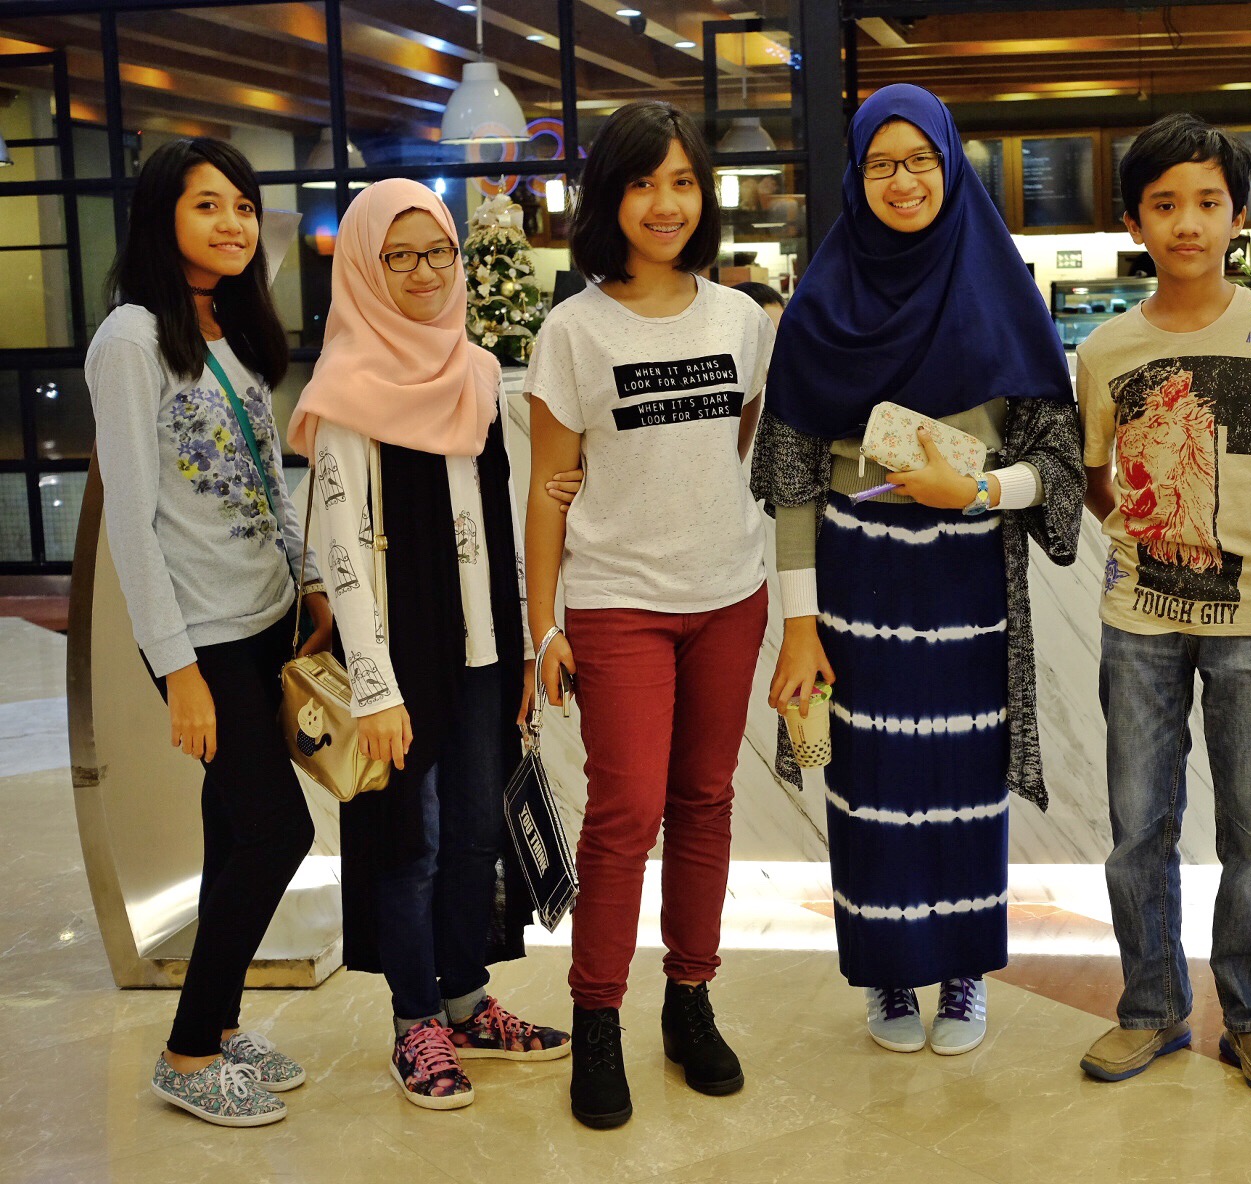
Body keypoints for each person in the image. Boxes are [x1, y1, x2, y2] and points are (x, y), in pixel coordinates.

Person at [755, 84, 1084, 1058]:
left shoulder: (1000, 287)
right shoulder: (821, 304)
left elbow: (1059, 463)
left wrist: (975, 491)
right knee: (870, 783)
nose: (902, 181)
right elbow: (793, 483)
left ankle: (963, 970)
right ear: (856, 176)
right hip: (855, 583)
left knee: (963, 779)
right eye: (881, 164)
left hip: (968, 578)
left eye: (920, 160)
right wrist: (800, 625)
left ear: (950, 163)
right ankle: (890, 970)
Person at [1074, 113, 1251, 1096]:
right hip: (1139, 621)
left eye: (1206, 202)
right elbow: (1096, 478)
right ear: (1135, 222)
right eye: (1164, 205)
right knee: (1138, 825)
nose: (1186, 223)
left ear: (1238, 215)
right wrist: (1151, 538)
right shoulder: (1106, 349)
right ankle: (1151, 1007)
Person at [288, 179, 569, 1112]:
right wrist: (374, 687)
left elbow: (498, 517)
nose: (420, 272)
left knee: (477, 835)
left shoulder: (477, 372)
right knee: (411, 843)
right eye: (397, 256)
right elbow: (343, 552)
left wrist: (523, 645)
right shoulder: (345, 389)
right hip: (400, 661)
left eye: (436, 252)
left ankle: (466, 999)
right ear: (365, 268)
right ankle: (416, 1021)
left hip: (484, 650)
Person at [524, 100, 773, 1131]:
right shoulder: (573, 330)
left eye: (682, 182)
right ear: (608, 200)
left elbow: (738, 445)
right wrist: (545, 625)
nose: (665, 204)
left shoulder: (742, 320)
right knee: (625, 814)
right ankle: (597, 1018)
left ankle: (689, 999)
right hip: (618, 603)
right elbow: (548, 489)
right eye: (641, 183)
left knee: (706, 800)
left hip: (730, 594)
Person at [88, 137, 328, 1127]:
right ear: (162, 217)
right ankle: (188, 1050)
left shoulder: (227, 327)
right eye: (207, 205)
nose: (233, 223)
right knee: (280, 830)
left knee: (233, 825)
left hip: (267, 616)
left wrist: (309, 584)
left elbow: (269, 481)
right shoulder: (131, 339)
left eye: (242, 205)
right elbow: (132, 521)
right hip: (204, 635)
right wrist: (176, 667)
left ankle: (221, 1024)